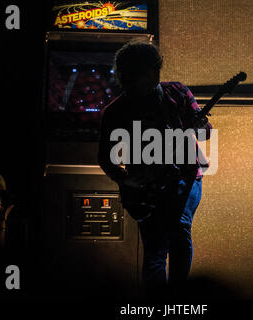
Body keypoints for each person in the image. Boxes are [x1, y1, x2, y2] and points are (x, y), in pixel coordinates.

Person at [98, 40, 212, 297]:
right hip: (147, 187)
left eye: (136, 77)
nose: (130, 84)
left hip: (185, 176)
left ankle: (177, 298)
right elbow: (106, 159)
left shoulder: (178, 94)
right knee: (155, 249)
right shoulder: (115, 112)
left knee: (179, 231)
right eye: (127, 78)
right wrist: (128, 182)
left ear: (152, 72)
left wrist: (194, 125)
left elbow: (206, 132)